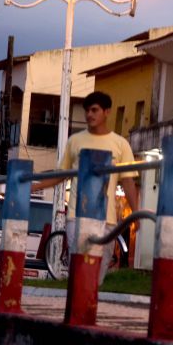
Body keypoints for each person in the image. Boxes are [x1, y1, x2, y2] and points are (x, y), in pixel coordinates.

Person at [33, 91, 138, 284]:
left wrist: (136, 214)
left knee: (98, 276)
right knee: (80, 268)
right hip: (77, 216)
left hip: (107, 219)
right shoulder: (75, 141)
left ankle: (88, 300)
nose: (89, 114)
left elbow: (128, 182)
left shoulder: (121, 144)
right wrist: (33, 188)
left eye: (94, 110)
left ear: (107, 112)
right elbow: (61, 175)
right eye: (87, 111)